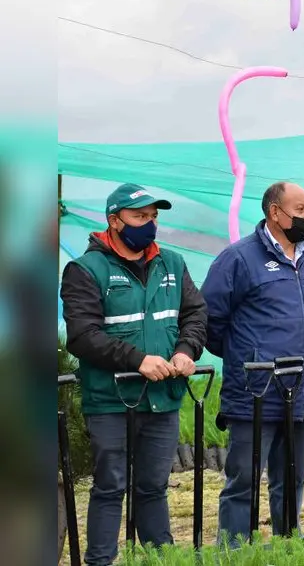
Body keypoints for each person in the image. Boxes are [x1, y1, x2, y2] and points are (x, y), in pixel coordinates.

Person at [60, 183, 207, 565]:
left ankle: (162, 560)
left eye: (153, 217)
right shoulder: (85, 270)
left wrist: (186, 349)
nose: (149, 224)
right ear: (114, 220)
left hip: (163, 400)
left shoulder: (172, 263)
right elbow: (83, 336)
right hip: (110, 400)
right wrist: (138, 359)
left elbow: (195, 313)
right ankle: (101, 562)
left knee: (154, 487)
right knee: (110, 487)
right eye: (140, 217)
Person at [202, 182, 304, 543]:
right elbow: (211, 321)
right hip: (255, 393)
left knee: (292, 478)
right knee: (243, 478)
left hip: (300, 389)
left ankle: (288, 546)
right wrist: (250, 359)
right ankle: (235, 552)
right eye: (300, 209)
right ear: (275, 212)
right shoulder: (239, 258)